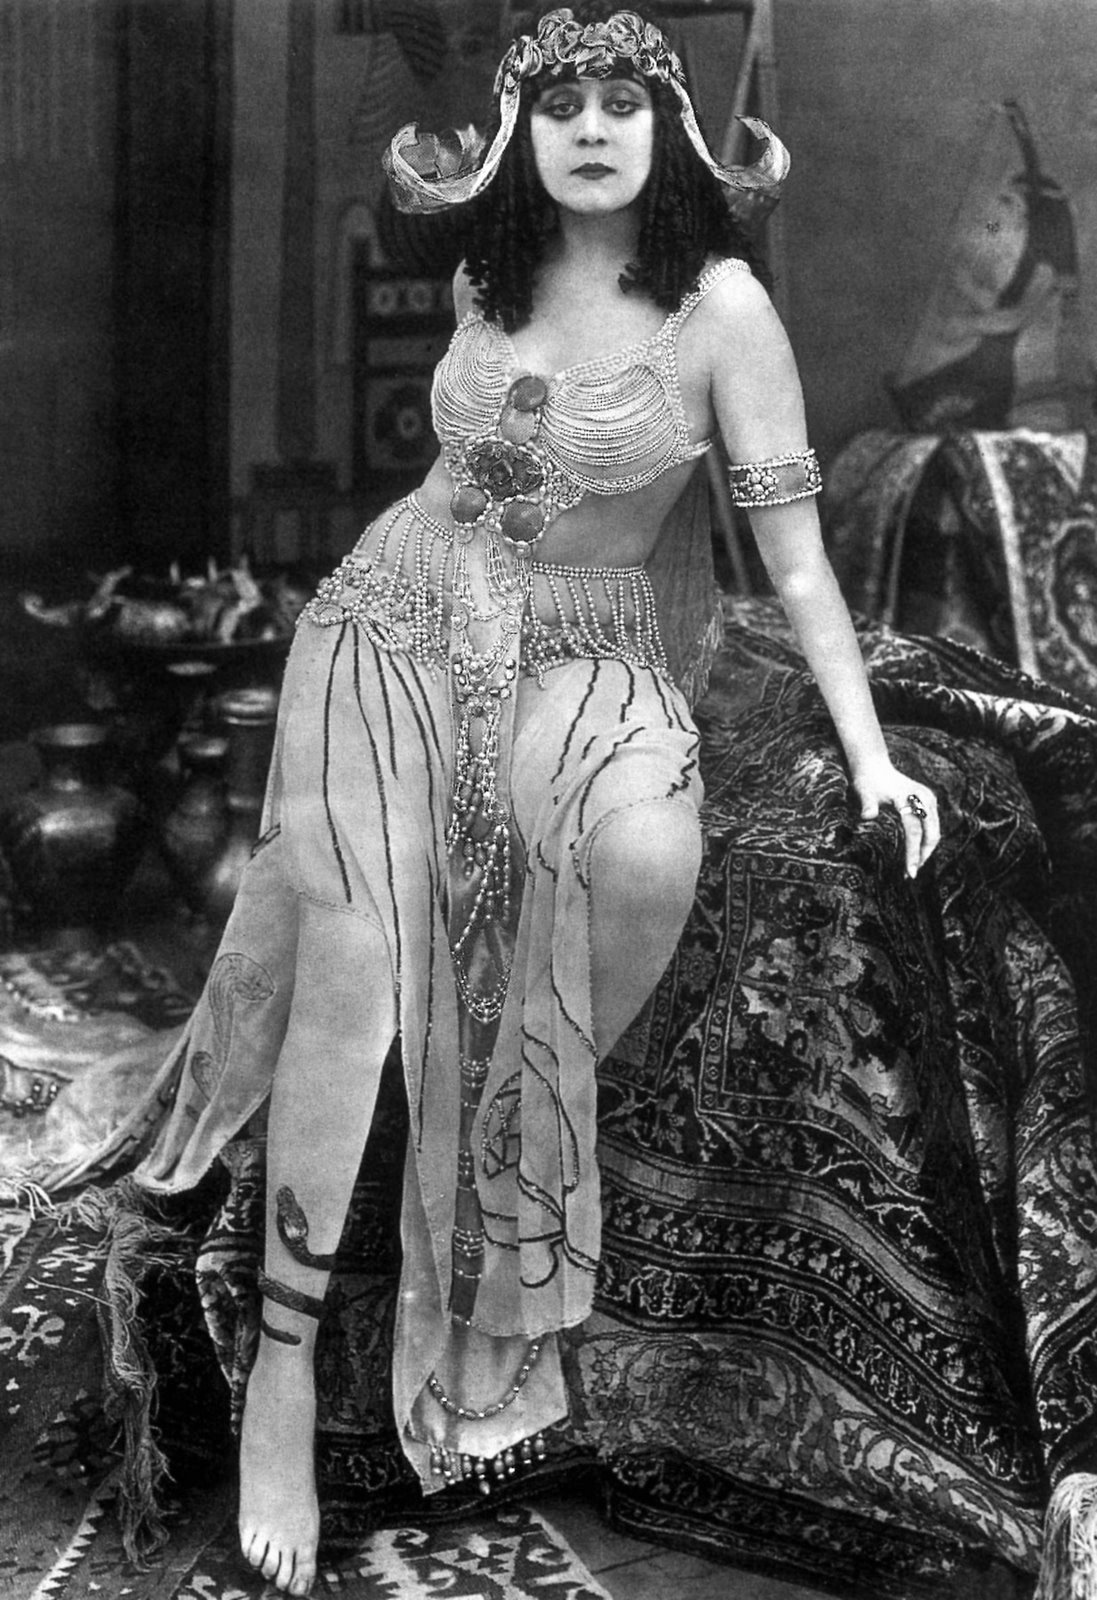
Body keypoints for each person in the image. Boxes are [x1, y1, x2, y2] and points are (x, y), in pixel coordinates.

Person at [123, 7, 940, 1595]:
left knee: (644, 854)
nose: (591, 127)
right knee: (357, 957)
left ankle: (502, 1223)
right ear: (515, 135)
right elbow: (451, 501)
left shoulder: (721, 309)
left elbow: (793, 563)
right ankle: (283, 1363)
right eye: (558, 102)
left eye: (624, 100)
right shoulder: (483, 282)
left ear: (670, 130)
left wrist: (870, 756)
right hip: (395, 624)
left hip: (588, 654)